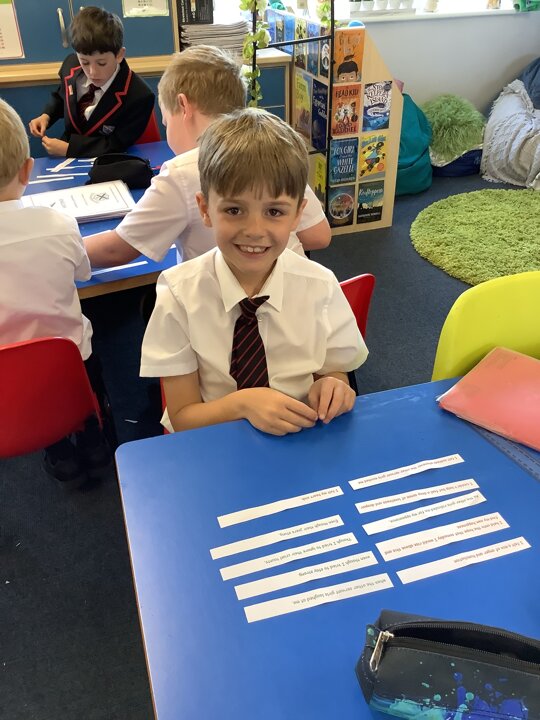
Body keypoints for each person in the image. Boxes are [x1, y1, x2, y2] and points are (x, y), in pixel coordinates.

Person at [140, 108, 368, 435]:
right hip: (217, 440)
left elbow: (334, 373)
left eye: (274, 211)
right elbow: (182, 417)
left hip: (299, 437)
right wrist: (244, 404)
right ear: (205, 209)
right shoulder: (178, 294)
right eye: (234, 210)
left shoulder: (319, 285)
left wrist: (333, 386)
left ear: (297, 215)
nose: (255, 230)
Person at [83, 45, 331, 269]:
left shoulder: (182, 172)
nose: (166, 127)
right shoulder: (271, 149)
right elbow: (318, 235)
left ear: (183, 105)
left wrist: (62, 243)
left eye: (166, 120)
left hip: (221, 299)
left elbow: (115, 250)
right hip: (295, 291)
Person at [0, 98, 110, 483]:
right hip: (72, 363)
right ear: (27, 169)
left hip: (8, 381)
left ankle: (58, 452)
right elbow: (82, 272)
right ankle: (94, 439)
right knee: (84, 345)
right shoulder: (59, 223)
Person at [28, 6, 154, 158]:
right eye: (85, 62)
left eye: (101, 63)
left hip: (106, 159)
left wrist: (70, 149)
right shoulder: (70, 65)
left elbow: (116, 144)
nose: (92, 72)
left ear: (119, 55)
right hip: (64, 156)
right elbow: (62, 98)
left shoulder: (140, 96)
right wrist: (46, 116)